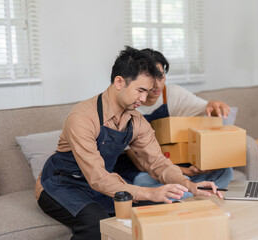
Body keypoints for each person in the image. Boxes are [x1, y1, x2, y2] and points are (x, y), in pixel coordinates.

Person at [35, 46, 222, 240]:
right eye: (140, 90)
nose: (144, 98)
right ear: (119, 82)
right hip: (60, 184)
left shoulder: (136, 121)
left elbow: (157, 162)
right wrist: (150, 193)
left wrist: (188, 185)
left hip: (99, 185)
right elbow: (97, 177)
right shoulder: (82, 118)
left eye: (147, 91)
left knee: (158, 210)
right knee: (94, 223)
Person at [113, 48, 233, 199]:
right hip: (142, 169)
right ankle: (188, 191)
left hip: (170, 164)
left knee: (225, 171)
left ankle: (189, 191)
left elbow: (204, 108)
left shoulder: (172, 94)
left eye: (161, 76)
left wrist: (214, 105)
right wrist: (183, 174)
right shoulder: (129, 105)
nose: (157, 85)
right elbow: (141, 162)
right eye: (151, 78)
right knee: (154, 182)